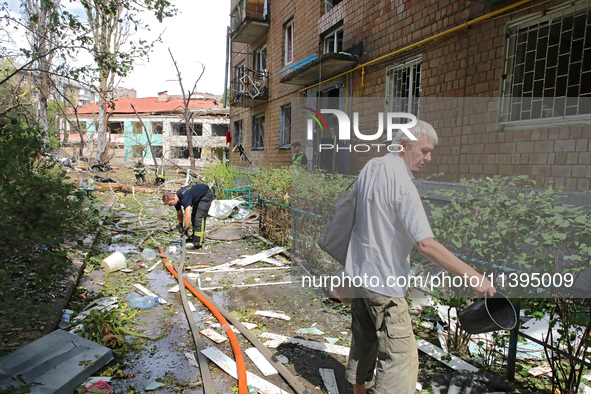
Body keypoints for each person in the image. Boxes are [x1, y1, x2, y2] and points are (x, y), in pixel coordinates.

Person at [343, 120, 496, 394]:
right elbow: (426, 244)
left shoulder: (371, 166)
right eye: (424, 151)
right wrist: (475, 278)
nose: (429, 158)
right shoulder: (403, 183)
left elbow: (350, 213)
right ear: (404, 146)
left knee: (364, 338)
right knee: (401, 359)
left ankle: (358, 391)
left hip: (359, 275)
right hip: (384, 284)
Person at [162, 183, 214, 248]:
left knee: (199, 218)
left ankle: (198, 242)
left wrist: (185, 228)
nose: (170, 205)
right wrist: (180, 224)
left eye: (169, 203)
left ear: (173, 198)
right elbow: (180, 213)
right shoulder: (176, 199)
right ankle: (195, 236)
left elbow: (187, 215)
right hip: (198, 197)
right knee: (194, 216)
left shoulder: (184, 198)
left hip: (206, 195)